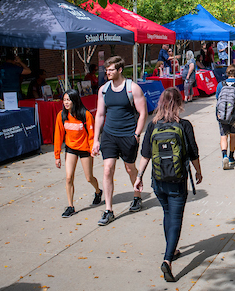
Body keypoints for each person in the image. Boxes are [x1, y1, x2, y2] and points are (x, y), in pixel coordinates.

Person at [134, 87, 202, 283]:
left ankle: (171, 250)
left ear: (161, 103)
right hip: (178, 180)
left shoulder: (153, 125)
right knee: (176, 219)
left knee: (167, 214)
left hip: (158, 180)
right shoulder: (184, 125)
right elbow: (193, 152)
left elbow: (146, 153)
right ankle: (167, 259)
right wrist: (198, 171)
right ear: (180, 103)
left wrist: (139, 176)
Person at [92, 56, 148, 226]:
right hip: (109, 135)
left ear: (120, 70)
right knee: (108, 170)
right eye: (107, 69)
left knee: (130, 168)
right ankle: (109, 210)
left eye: (111, 70)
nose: (107, 72)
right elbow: (100, 115)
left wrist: (136, 135)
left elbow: (143, 113)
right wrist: (96, 139)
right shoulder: (103, 90)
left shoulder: (133, 88)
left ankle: (137, 197)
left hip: (127, 135)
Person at [54, 89, 102, 218]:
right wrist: (57, 156)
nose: (66, 102)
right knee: (69, 177)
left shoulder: (85, 115)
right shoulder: (61, 115)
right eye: (64, 100)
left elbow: (91, 135)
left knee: (89, 177)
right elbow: (58, 136)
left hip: (85, 149)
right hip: (70, 149)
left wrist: (93, 149)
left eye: (68, 100)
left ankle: (98, 191)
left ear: (75, 100)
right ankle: (70, 206)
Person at [215, 64, 235, 170]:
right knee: (233, 135)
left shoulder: (221, 85)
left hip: (221, 114)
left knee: (224, 135)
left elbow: (217, 98)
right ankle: (231, 156)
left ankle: (224, 155)